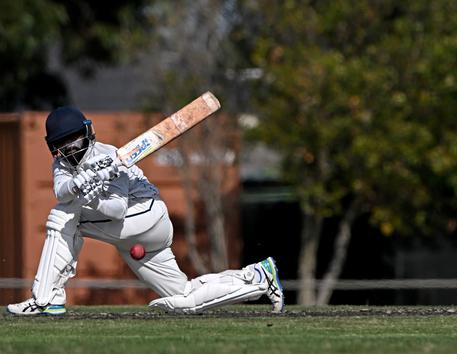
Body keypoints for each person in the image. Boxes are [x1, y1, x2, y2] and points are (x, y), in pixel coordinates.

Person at [7, 106, 284, 315]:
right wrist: (79, 185)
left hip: (146, 217)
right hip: (133, 237)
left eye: (76, 138)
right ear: (54, 147)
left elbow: (115, 210)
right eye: (64, 143)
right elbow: (61, 192)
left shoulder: (108, 157)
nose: (72, 147)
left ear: (87, 132)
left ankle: (46, 299)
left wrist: (92, 199)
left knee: (64, 216)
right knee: (183, 298)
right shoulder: (62, 166)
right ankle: (258, 278)